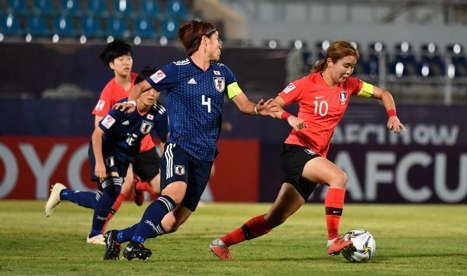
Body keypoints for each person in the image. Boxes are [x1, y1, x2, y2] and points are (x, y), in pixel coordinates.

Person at [209, 40, 406, 260]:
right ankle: (333, 240)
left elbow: (384, 94)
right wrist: (289, 117)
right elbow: (274, 105)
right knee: (338, 177)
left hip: (314, 156)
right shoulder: (306, 83)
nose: (349, 71)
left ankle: (221, 243)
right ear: (330, 62)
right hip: (296, 150)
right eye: (346, 65)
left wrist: (392, 115)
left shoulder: (350, 85)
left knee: (274, 218)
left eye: (352, 67)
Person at [102, 19, 274, 261]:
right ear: (205, 41)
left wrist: (259, 110)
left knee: (173, 223)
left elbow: (243, 103)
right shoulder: (176, 69)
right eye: (217, 40)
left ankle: (117, 237)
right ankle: (136, 245)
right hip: (180, 146)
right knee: (174, 193)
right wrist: (131, 102)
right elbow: (142, 85)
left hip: (205, 155)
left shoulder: (224, 73)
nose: (220, 46)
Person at [44, 66, 163, 244]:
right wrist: (99, 162)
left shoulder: (158, 112)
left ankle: (63, 193)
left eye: (157, 89)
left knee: (103, 199)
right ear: (138, 88)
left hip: (125, 155)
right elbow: (97, 134)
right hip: (106, 149)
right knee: (114, 188)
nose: (152, 93)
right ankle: (94, 235)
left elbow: (166, 138)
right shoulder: (122, 107)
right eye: (148, 88)